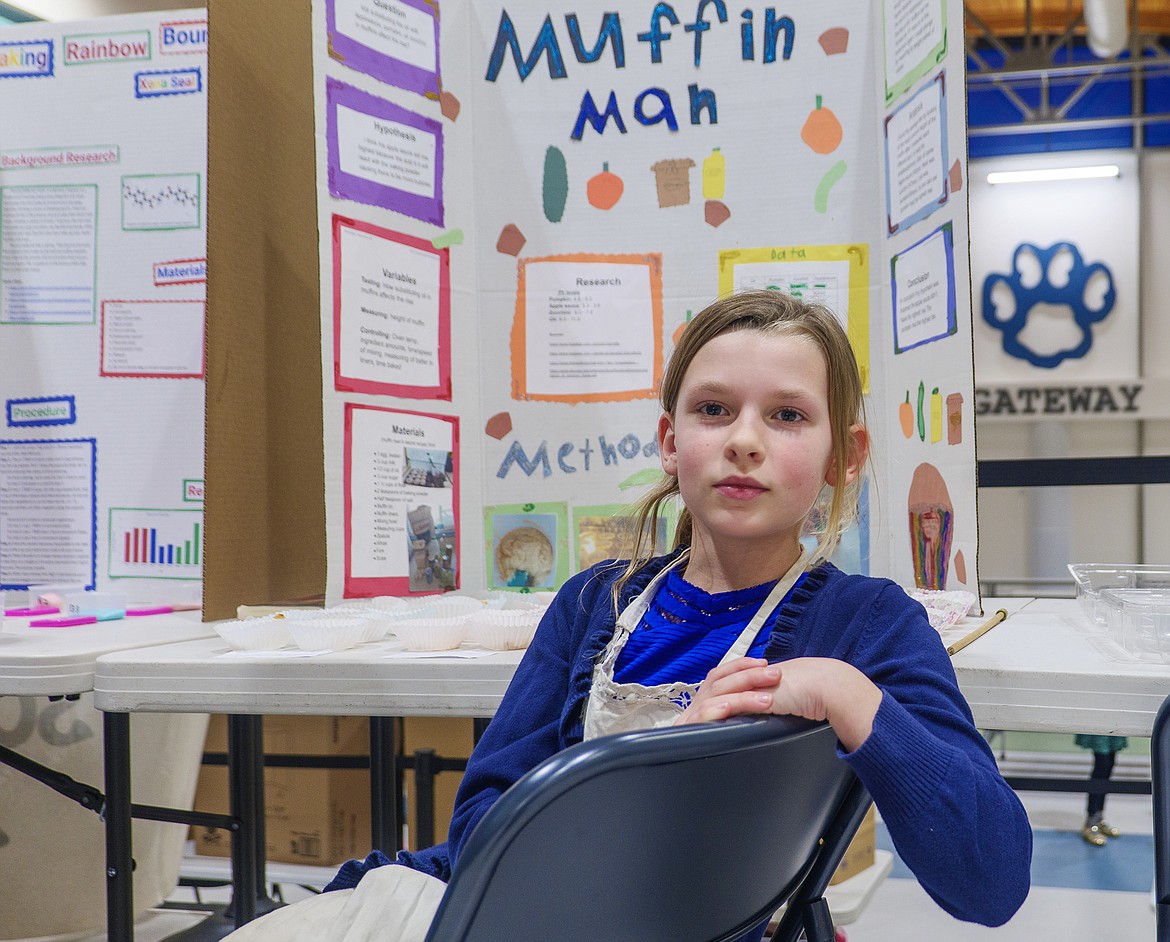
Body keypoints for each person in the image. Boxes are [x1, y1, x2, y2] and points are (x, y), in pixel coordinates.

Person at [224, 290, 1032, 941]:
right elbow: (483, 834)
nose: (744, 441)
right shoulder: (593, 603)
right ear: (670, 442)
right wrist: (668, 764)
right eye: (713, 409)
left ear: (843, 456)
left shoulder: (869, 626)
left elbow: (991, 882)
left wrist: (851, 698)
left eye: (788, 416)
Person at [1076, 733, 1127, 845]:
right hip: (1100, 727)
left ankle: (1098, 818)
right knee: (1102, 765)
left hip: (1114, 723)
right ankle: (1091, 822)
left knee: (1109, 764)